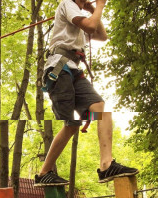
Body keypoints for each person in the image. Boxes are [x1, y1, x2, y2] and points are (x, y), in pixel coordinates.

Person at [34, 0, 139, 187]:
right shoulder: (67, 4)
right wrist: (100, 6)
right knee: (72, 124)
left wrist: (93, 9)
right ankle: (44, 173)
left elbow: (101, 34)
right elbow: (90, 26)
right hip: (59, 67)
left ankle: (106, 165)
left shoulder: (80, 16)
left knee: (99, 109)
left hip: (74, 69)